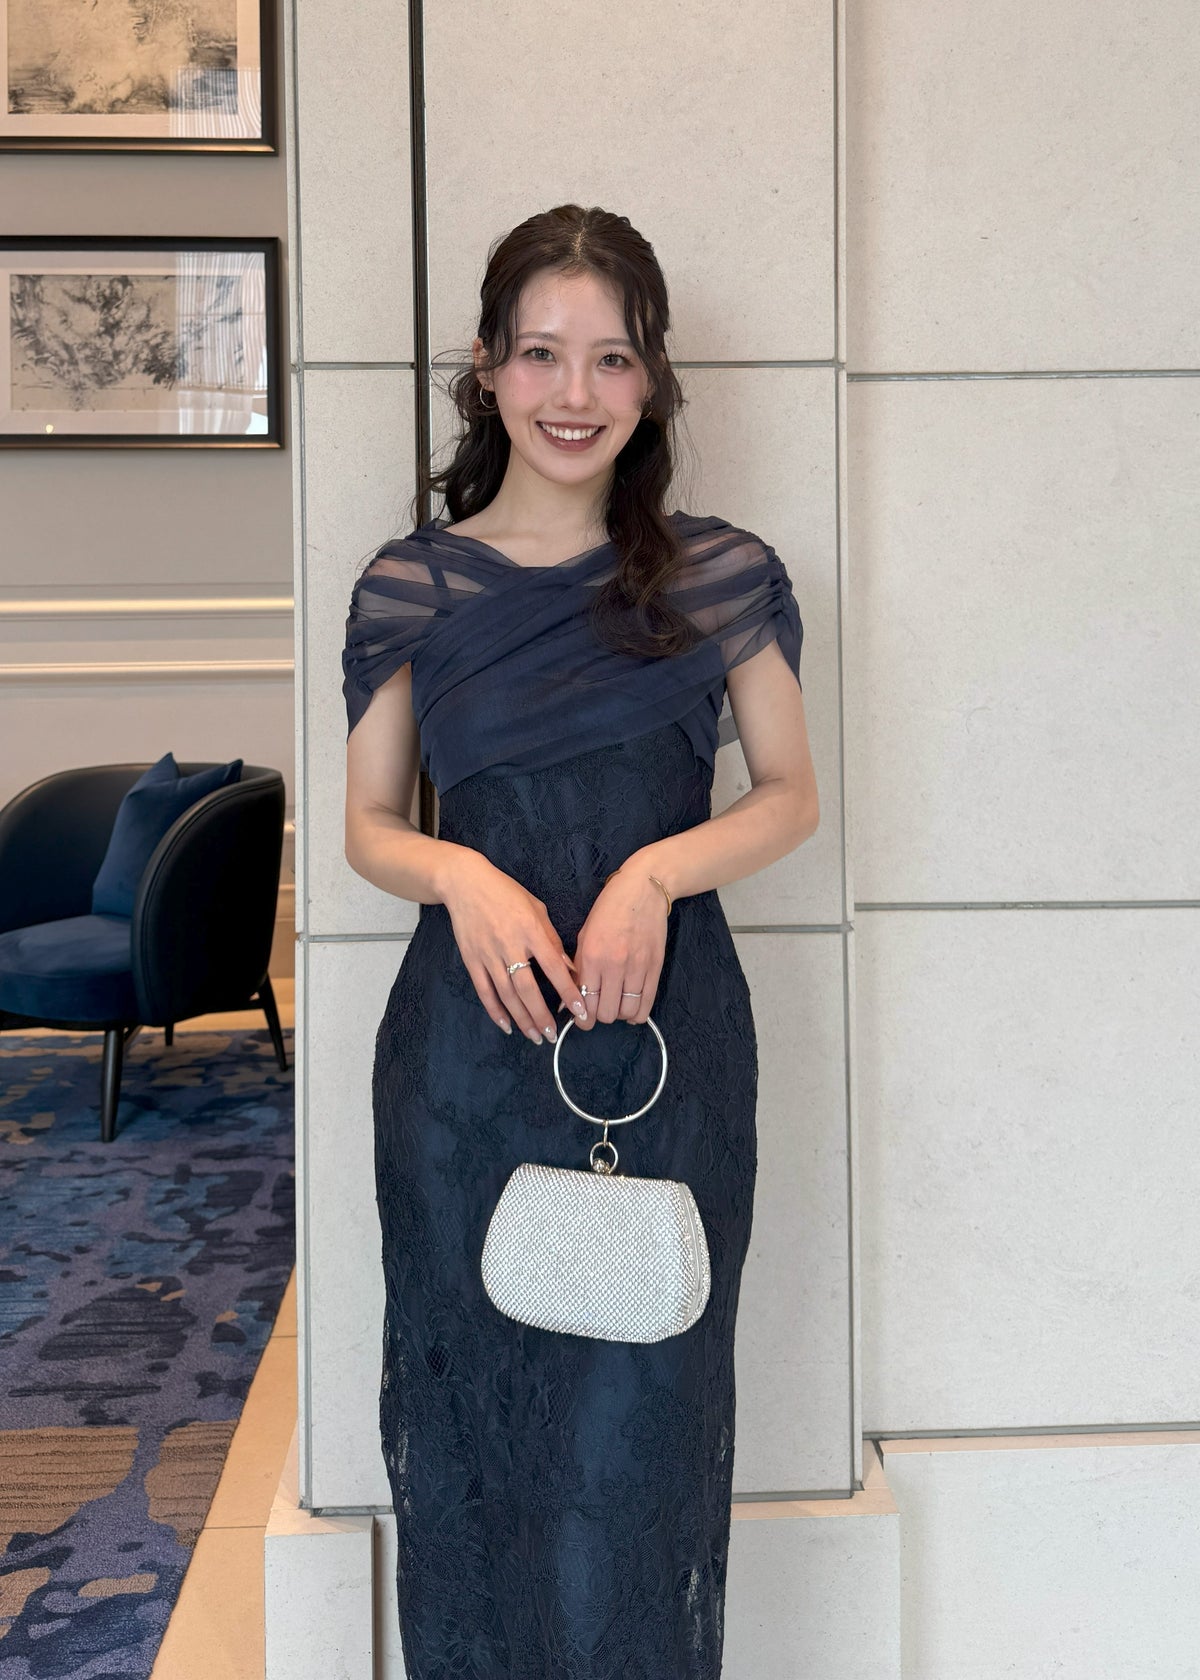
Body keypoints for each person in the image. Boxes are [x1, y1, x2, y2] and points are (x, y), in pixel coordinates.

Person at [342, 203, 817, 1679]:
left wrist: (656, 875)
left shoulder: (722, 573)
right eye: (541, 353)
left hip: (663, 1051)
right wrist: (457, 874)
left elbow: (791, 796)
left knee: (636, 1446)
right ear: (486, 369)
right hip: (462, 1064)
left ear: (653, 381)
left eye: (612, 358)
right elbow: (368, 825)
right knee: (470, 1430)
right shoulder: (412, 584)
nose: (574, 391)